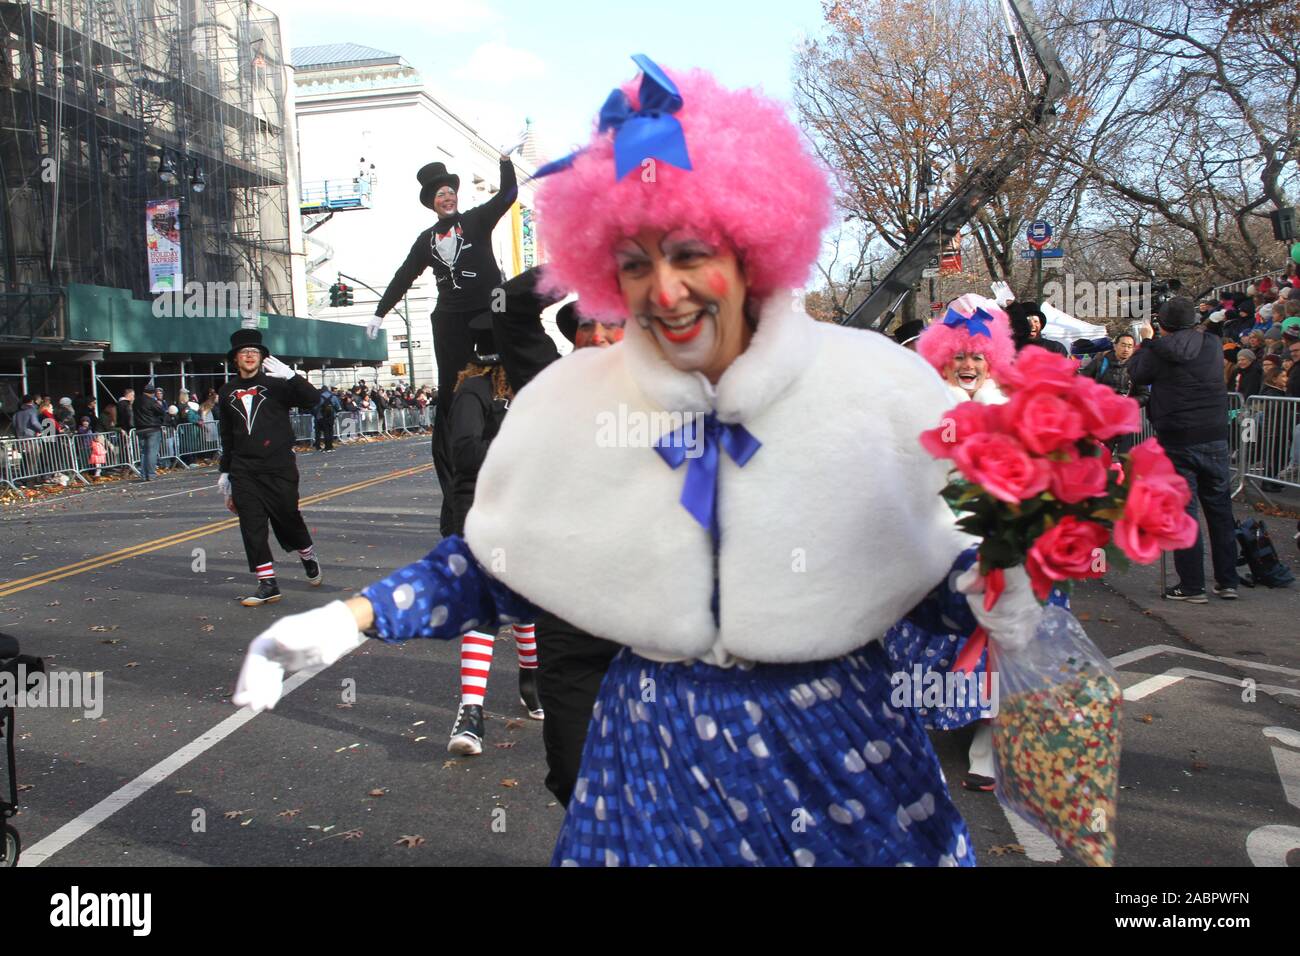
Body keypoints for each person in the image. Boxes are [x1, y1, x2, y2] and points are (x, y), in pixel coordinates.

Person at [234, 58, 1060, 867]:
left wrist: (1007, 570)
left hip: (842, 769)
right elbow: (501, 566)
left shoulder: (877, 388)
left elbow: (940, 592)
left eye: (690, 252)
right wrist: (349, 621)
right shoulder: (576, 404)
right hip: (651, 770)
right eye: (634, 262)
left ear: (749, 245)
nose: (664, 291)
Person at [372, 143, 523, 537]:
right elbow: (404, 275)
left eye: (450, 192)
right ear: (432, 203)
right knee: (454, 392)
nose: (447, 197)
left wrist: (505, 164)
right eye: (440, 195)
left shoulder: (476, 221)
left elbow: (508, 195)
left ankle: (514, 429)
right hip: (451, 319)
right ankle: (459, 460)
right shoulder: (425, 240)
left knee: (502, 375)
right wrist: (379, 312)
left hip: (488, 309)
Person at [444, 314, 543, 755]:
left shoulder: (533, 391)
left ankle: (531, 677)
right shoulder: (474, 392)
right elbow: (463, 452)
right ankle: (470, 713)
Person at [1129, 298, 1240, 602]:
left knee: (1184, 512)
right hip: (1214, 433)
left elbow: (1137, 374)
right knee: (1220, 509)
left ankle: (1192, 585)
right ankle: (1227, 581)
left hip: (1177, 436)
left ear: (1162, 324)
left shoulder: (1156, 350)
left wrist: (1147, 342)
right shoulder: (1212, 345)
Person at [217, 329, 324, 607]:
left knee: (288, 518)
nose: (250, 355)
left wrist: (291, 375)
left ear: (263, 358)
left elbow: (313, 400)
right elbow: (227, 434)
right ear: (236, 360)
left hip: (279, 467)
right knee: (251, 525)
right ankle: (267, 583)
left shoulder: (278, 386)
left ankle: (308, 555)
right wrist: (225, 472)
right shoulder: (226, 391)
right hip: (243, 469)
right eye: (244, 352)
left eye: (255, 352)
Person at [314, 386, 340, 452]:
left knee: (325, 431)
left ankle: (326, 447)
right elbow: (338, 407)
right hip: (331, 416)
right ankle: (330, 446)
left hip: (322, 416)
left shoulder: (319, 397)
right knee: (330, 431)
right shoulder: (333, 396)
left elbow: (315, 407)